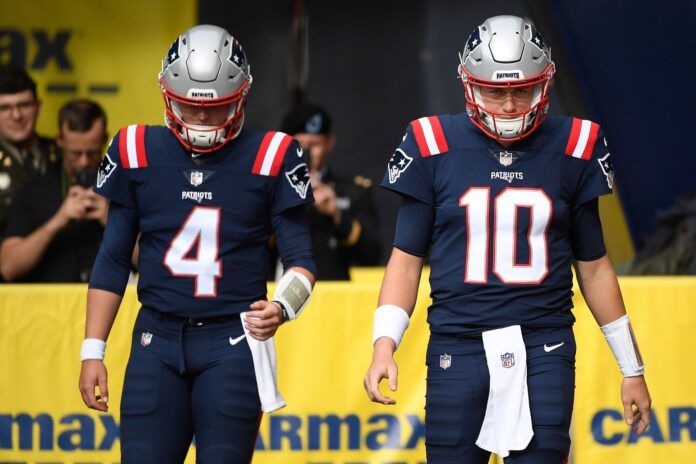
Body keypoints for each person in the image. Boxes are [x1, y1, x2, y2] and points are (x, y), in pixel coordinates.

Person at [364, 15, 651, 463]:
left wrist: (631, 368)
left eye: (523, 89)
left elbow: (594, 267)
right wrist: (385, 344)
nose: (510, 104)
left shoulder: (576, 144)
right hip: (457, 345)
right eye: (496, 90)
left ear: (546, 82)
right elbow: (405, 260)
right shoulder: (430, 143)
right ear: (469, 83)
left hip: (544, 346)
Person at [77, 25, 316, 463]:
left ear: (241, 96)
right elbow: (112, 258)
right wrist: (93, 350)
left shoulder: (273, 154)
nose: (202, 119)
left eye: (217, 107)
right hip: (156, 337)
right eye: (190, 106)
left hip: (233, 341)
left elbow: (301, 259)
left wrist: (282, 306)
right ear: (168, 95)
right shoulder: (134, 148)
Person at [0, 99, 108, 282]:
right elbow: (8, 268)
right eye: (76, 153)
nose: (84, 161)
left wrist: (113, 219)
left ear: (105, 140)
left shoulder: (126, 187)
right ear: (60, 141)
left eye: (92, 152)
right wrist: (58, 221)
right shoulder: (33, 191)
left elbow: (156, 261)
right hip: (50, 308)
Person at [280, 103, 382, 279]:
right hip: (277, 296)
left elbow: (372, 256)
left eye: (314, 145)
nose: (306, 153)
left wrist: (337, 215)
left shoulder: (352, 191)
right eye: (299, 145)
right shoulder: (268, 187)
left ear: (329, 143)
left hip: (330, 300)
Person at [0, 66, 58, 236]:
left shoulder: (62, 153)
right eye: (4, 108)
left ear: (38, 107)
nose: (16, 115)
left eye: (24, 105)